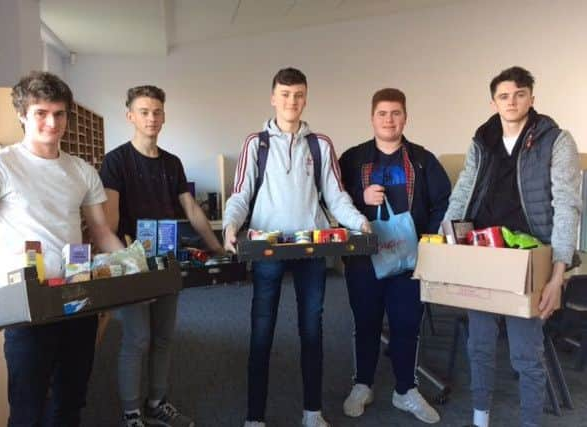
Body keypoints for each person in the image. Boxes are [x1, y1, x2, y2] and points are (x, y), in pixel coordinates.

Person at [0, 71, 125, 426]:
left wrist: (130, 270)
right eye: (41, 113)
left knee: (71, 401)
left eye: (59, 114)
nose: (52, 123)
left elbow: (102, 230)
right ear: (22, 115)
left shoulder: (81, 170)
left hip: (77, 299)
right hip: (27, 302)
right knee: (27, 407)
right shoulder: (0, 164)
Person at [223, 67, 371, 427]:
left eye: (299, 95)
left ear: (306, 98)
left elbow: (336, 196)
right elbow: (241, 192)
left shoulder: (320, 144)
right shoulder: (254, 144)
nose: (292, 101)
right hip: (267, 248)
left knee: (312, 329)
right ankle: (255, 417)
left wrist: (358, 222)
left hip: (311, 249)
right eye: (285, 95)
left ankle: (312, 412)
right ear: (273, 97)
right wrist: (231, 224)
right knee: (262, 331)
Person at [443, 66, 581, 427]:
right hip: (483, 250)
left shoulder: (556, 140)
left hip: (529, 257)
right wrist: (445, 239)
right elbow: (463, 193)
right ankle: (480, 417)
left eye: (520, 94)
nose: (512, 101)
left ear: (532, 98)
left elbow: (567, 206)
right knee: (480, 346)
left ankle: (530, 422)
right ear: (494, 102)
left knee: (526, 354)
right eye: (504, 96)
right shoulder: (482, 140)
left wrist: (558, 274)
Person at [100, 85, 223, 427]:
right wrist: (126, 261)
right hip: (133, 265)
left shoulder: (172, 163)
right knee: (137, 338)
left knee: (164, 336)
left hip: (167, 262)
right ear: (130, 116)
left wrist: (216, 246)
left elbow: (191, 210)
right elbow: (108, 222)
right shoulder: (115, 161)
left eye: (156, 111)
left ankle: (156, 402)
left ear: (164, 116)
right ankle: (132, 412)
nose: (151, 118)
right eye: (144, 112)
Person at [338, 88, 450, 424]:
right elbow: (333, 198)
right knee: (366, 323)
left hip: (409, 261)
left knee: (406, 324)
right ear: (372, 118)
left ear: (405, 116)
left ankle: (406, 390)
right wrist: (361, 195)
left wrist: (428, 241)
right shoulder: (352, 158)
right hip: (363, 260)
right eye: (383, 114)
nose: (389, 120)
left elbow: (444, 202)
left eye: (396, 113)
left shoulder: (423, 159)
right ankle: (362, 385)